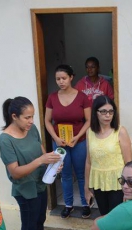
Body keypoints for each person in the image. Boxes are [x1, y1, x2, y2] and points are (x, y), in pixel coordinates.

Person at [0, 96, 63, 230]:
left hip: (40, 183)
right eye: (27, 117)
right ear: (14, 116)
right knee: (28, 227)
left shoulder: (32, 129)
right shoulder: (5, 140)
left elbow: (42, 152)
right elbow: (15, 172)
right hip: (25, 190)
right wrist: (40, 161)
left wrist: (53, 163)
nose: (31, 121)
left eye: (32, 116)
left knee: (40, 219)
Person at [45, 64, 92, 219]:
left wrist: (77, 137)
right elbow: (47, 121)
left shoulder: (82, 97)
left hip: (78, 142)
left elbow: (89, 120)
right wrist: (56, 138)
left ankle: (86, 203)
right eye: (58, 79)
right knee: (64, 174)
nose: (61, 81)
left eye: (64, 78)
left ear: (71, 77)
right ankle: (68, 205)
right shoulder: (52, 97)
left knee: (81, 173)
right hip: (59, 143)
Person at [84, 95, 132, 215]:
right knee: (104, 216)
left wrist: (129, 189)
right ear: (96, 113)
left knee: (116, 218)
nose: (108, 115)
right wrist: (86, 187)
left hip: (117, 182)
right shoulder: (89, 132)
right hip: (98, 181)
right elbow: (89, 161)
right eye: (103, 111)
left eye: (111, 112)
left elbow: (129, 163)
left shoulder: (120, 131)